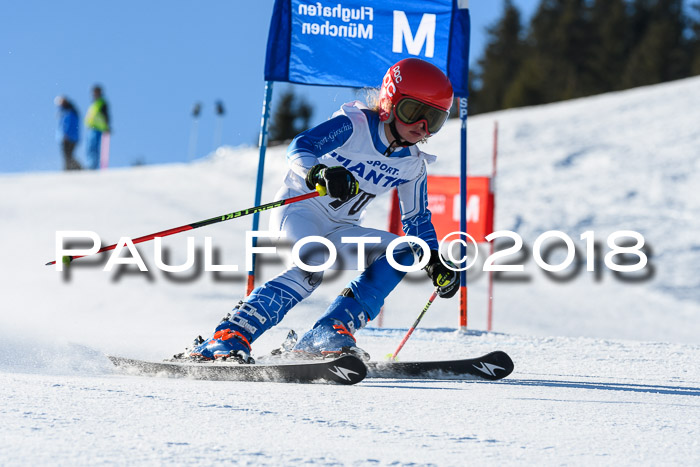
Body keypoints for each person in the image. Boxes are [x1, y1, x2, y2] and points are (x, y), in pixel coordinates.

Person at [187, 58, 459, 363]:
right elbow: (300, 146)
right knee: (312, 263)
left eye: (433, 120)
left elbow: (417, 220)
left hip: (343, 228)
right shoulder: (355, 125)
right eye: (413, 113)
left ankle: (327, 333)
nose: (421, 128)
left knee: (407, 250)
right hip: (301, 211)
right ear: (389, 102)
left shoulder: (413, 164)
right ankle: (228, 335)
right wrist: (319, 173)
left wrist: (434, 259)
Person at [84, 85, 110, 170]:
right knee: (89, 147)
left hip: (98, 129)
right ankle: (89, 164)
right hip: (91, 128)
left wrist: (107, 127)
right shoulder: (94, 103)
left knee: (94, 148)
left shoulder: (102, 103)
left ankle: (93, 165)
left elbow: (106, 116)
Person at [54, 96, 82, 171]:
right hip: (66, 137)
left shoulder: (70, 111)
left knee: (67, 154)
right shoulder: (63, 112)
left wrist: (66, 135)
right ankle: (70, 168)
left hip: (69, 137)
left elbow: (69, 125)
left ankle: (75, 168)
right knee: (67, 154)